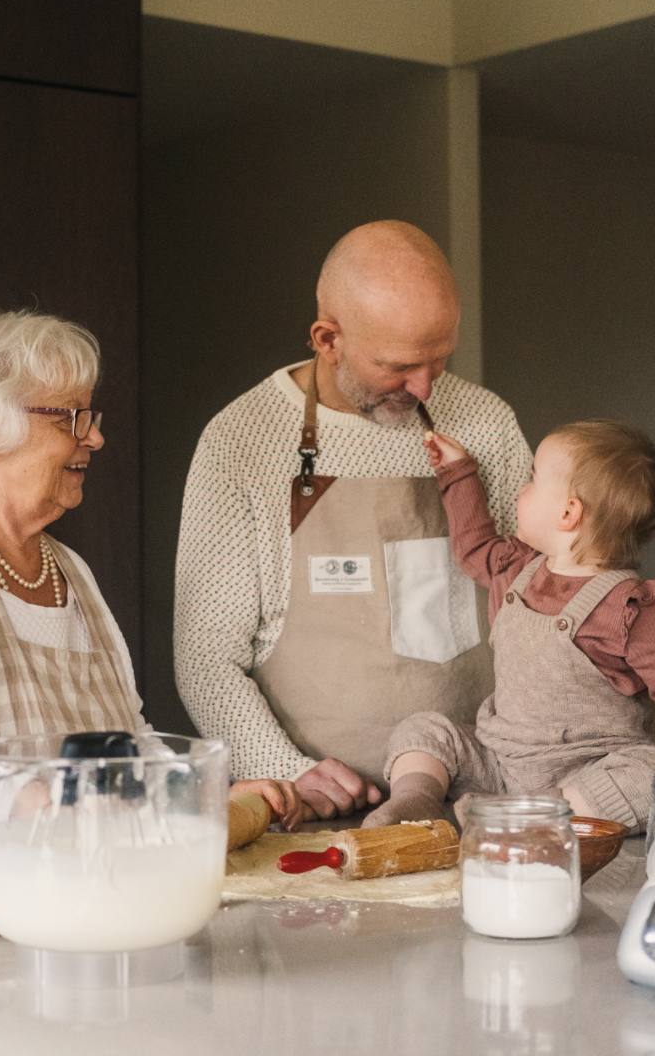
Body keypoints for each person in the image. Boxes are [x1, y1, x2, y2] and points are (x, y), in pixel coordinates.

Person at [0, 309, 299, 860]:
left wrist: (198, 796)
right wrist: (38, 804)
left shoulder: (68, 571)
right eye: (71, 419)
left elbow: (123, 746)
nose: (97, 437)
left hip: (64, 907)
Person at [175, 221, 533, 821]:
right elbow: (206, 658)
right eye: (399, 365)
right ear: (327, 338)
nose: (423, 386)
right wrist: (290, 772)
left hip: (482, 799)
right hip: (319, 813)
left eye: (440, 361)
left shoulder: (486, 423)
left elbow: (537, 604)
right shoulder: (241, 441)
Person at [364, 420, 655, 834]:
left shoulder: (630, 609)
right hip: (498, 762)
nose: (520, 490)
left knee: (654, 773)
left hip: (586, 775)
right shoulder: (517, 570)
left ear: (568, 513)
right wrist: (458, 473)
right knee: (425, 729)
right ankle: (415, 802)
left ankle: (522, 815)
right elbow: (475, 546)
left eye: (532, 479)